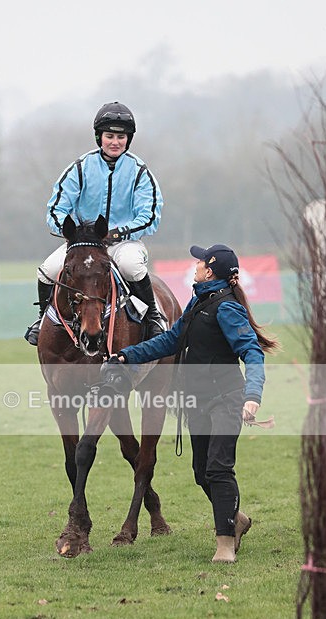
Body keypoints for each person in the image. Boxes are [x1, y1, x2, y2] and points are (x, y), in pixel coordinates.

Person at [102, 244, 280, 563]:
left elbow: (252, 353)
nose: (195, 264)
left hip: (227, 399)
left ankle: (225, 545)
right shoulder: (198, 301)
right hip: (197, 401)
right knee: (201, 472)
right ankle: (236, 518)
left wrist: (253, 396)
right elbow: (171, 340)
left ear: (210, 270)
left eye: (200, 261)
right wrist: (128, 355)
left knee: (218, 468)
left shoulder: (227, 308)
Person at [24, 101, 165, 345]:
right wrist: (72, 233)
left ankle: (153, 317)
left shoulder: (140, 172)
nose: (115, 142)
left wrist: (120, 232)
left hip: (123, 243)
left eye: (121, 137)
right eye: (109, 136)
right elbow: (56, 209)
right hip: (82, 243)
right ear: (99, 137)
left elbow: (150, 215)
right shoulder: (79, 168)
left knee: (131, 265)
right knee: (47, 271)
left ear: (128, 139)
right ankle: (42, 320)